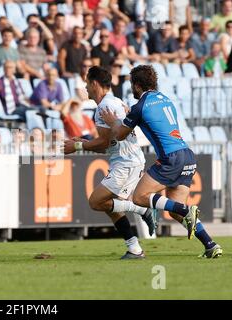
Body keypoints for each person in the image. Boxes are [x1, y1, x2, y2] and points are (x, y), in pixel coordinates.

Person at [100, 64, 223, 258]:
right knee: (174, 212)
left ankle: (187, 209)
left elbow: (120, 135)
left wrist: (113, 122)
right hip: (187, 155)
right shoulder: (166, 99)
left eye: (132, 84)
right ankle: (210, 244)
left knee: (139, 197)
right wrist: (130, 115)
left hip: (170, 158)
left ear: (138, 85)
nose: (132, 88)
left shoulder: (139, 106)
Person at [63, 66, 157, 259]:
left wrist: (78, 147)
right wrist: (86, 143)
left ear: (95, 83)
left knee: (96, 202)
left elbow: (105, 142)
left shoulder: (104, 108)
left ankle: (141, 209)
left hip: (126, 162)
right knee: (110, 205)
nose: (86, 88)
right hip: (125, 160)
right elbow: (108, 143)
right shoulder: (114, 101)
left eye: (87, 83)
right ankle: (134, 249)